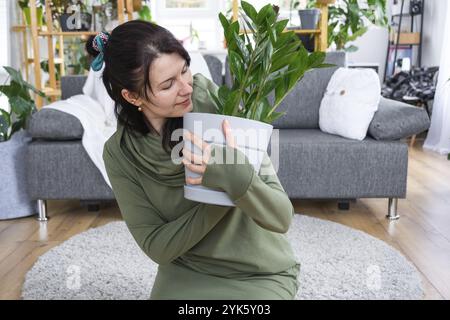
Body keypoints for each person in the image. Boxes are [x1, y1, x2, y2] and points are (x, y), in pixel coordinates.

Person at [96, 20, 300, 300]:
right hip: (185, 269)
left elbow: (280, 217)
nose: (186, 88)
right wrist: (223, 190)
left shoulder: (219, 107)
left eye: (185, 70)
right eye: (168, 84)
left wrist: (229, 171)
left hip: (259, 270)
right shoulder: (121, 154)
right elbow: (156, 246)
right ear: (131, 96)